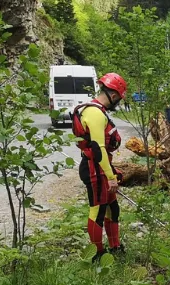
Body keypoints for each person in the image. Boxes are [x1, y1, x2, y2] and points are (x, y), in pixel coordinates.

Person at [71, 72, 128, 262]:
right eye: (119, 98)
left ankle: (115, 246)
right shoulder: (95, 113)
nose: (118, 101)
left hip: (100, 167)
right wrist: (110, 177)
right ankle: (97, 254)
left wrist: (112, 171)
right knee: (98, 210)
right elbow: (98, 148)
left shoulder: (96, 110)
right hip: (94, 169)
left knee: (113, 208)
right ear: (113, 96)